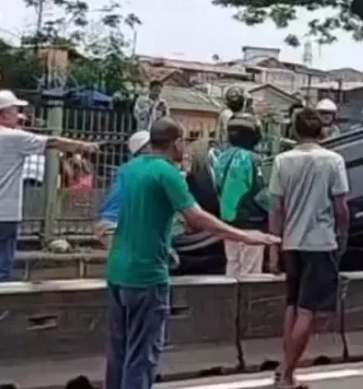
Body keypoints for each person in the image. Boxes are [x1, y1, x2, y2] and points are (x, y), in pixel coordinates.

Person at [105, 117, 279, 389]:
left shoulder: (128, 170)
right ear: (175, 142)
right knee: (143, 355)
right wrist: (247, 236)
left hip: (117, 271)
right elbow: (197, 217)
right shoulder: (166, 172)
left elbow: (114, 216)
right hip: (147, 274)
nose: (185, 148)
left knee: (119, 351)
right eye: (183, 142)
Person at [0, 90, 99, 283]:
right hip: (3, 213)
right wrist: (84, 146)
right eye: (16, 110)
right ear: (5, 113)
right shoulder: (15, 137)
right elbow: (53, 142)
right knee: (1, 264)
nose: (19, 114)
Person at [268, 108, 350, 389]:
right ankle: (287, 374)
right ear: (322, 132)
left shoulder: (281, 161)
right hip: (320, 242)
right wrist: (343, 237)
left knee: (292, 305)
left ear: (294, 131)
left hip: (292, 242)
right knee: (308, 311)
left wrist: (273, 246)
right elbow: (341, 208)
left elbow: (276, 209)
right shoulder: (333, 161)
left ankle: (284, 367)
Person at [215, 114, 269, 275]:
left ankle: (230, 301)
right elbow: (262, 194)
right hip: (251, 223)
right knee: (251, 272)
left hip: (228, 223)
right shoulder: (254, 159)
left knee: (233, 266)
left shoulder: (222, 157)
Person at [95, 130, 151, 249]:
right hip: (117, 225)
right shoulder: (146, 167)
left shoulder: (128, 167)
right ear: (146, 148)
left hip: (109, 223)